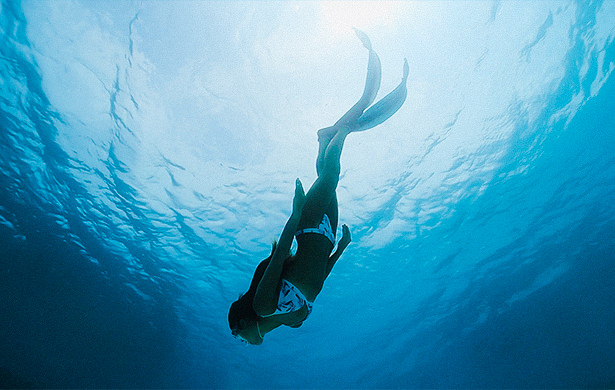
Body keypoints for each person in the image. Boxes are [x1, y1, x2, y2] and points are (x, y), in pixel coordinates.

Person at [228, 29, 409, 345]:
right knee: (327, 172)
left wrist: (296, 213)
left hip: (308, 226)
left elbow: (282, 251)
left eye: (237, 334)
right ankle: (327, 136)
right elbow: (320, 279)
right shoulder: (290, 321)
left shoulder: (262, 305)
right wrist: (341, 248)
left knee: (330, 174)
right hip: (328, 234)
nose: (241, 339)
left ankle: (347, 123)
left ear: (243, 322)